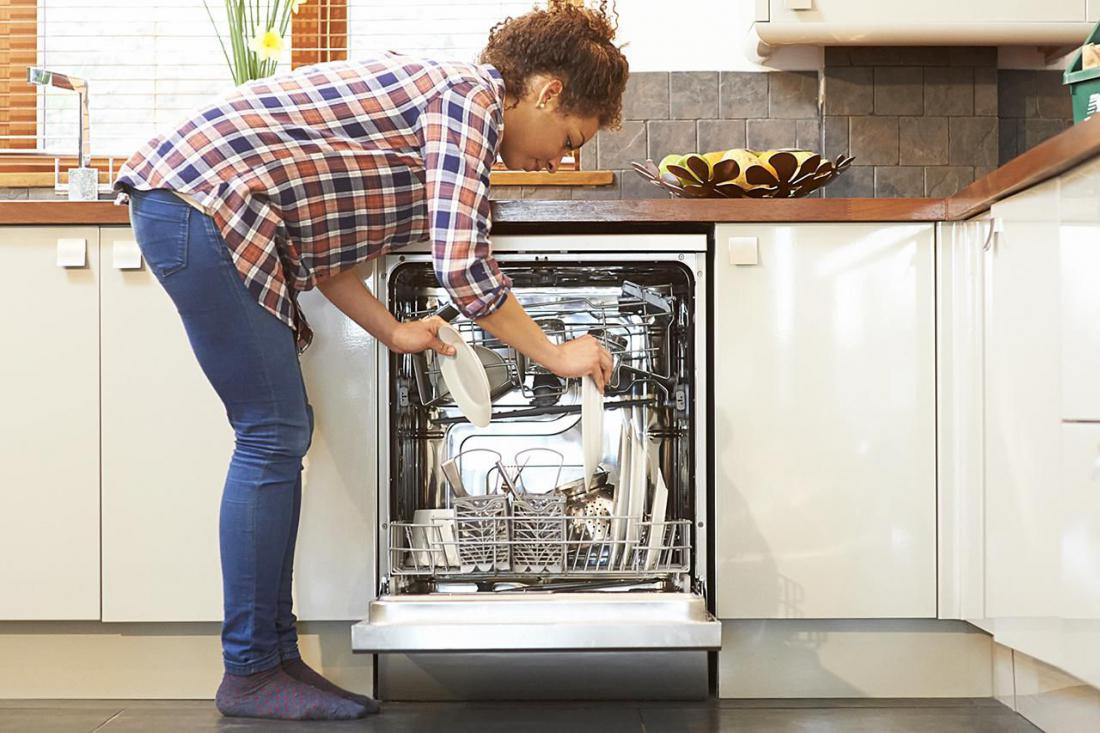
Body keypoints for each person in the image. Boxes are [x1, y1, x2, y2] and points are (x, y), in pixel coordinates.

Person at [111, 0, 628, 722]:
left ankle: (276, 658)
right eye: (570, 137)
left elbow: (328, 251)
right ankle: (251, 670)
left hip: (202, 206)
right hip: (200, 204)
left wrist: (391, 329)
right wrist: (557, 354)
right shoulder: (468, 100)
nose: (559, 158)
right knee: (271, 433)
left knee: (279, 431)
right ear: (546, 93)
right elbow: (464, 267)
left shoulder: (442, 111)